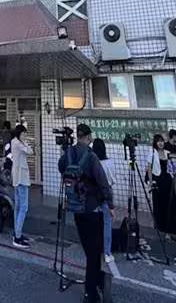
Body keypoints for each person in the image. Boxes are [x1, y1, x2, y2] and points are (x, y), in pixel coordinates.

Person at [58, 124, 114, 303]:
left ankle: (98, 280)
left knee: (89, 248)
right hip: (92, 209)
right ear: (88, 137)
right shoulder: (91, 156)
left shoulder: (68, 153)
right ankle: (90, 292)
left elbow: (61, 167)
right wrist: (110, 204)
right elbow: (103, 182)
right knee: (94, 252)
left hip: (76, 208)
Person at [146, 134, 176, 243]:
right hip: (158, 183)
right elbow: (149, 169)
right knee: (161, 207)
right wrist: (151, 182)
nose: (160, 143)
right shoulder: (152, 153)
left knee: (173, 207)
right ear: (155, 143)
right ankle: (164, 232)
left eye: (162, 141)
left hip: (169, 182)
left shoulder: (168, 153)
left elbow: (175, 169)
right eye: (158, 141)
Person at [93, 138, 117, 263]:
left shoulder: (92, 162)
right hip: (106, 195)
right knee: (107, 223)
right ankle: (107, 253)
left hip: (93, 195)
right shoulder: (109, 163)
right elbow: (112, 181)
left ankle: (94, 249)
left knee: (94, 223)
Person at [10, 124, 33, 248]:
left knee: (19, 207)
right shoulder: (17, 143)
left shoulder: (16, 142)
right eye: (23, 133)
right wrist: (25, 142)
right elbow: (30, 151)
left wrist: (24, 142)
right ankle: (17, 237)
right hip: (20, 179)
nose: (25, 135)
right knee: (23, 207)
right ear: (18, 133)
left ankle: (17, 233)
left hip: (19, 178)